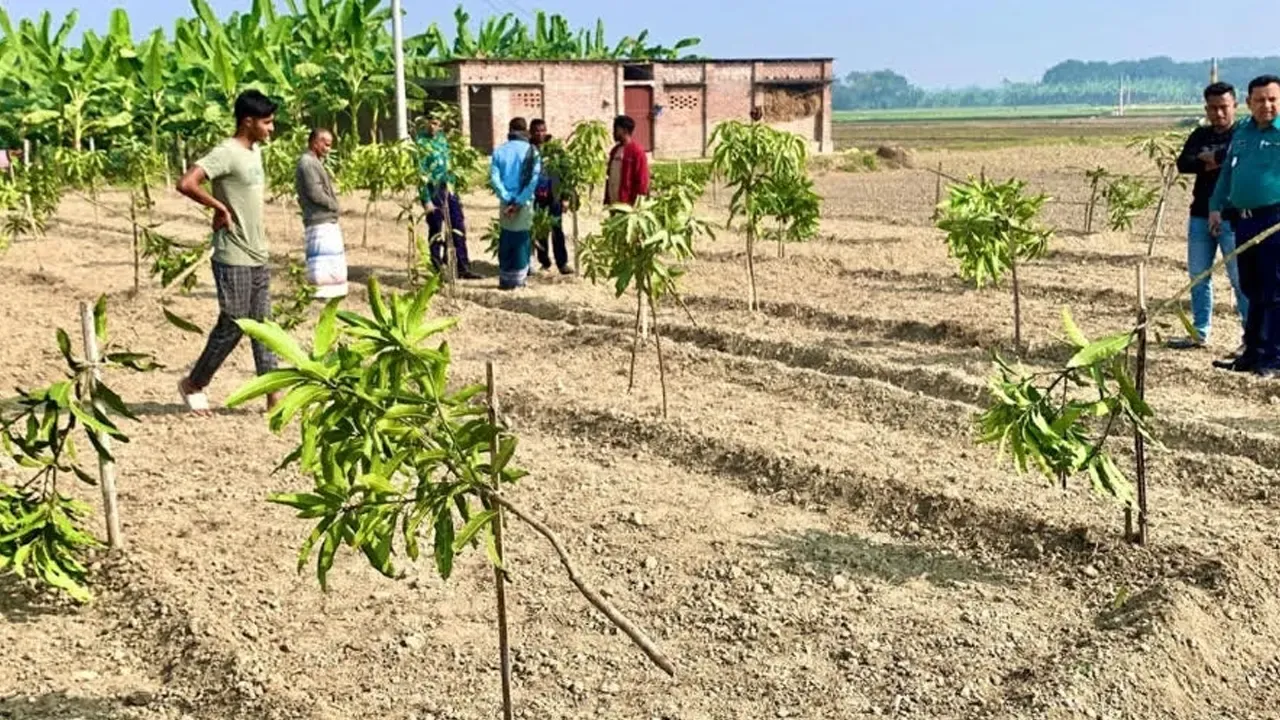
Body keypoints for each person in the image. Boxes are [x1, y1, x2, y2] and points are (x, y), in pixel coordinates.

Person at [175, 89, 281, 415]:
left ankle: (273, 395)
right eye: (266, 122)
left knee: (262, 325)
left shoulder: (255, 152)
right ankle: (194, 383)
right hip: (232, 253)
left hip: (257, 251)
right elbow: (187, 183)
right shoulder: (226, 152)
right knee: (234, 322)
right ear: (247, 122)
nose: (271, 128)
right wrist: (218, 206)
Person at [1209, 74, 1280, 377]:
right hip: (1244, 221)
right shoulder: (1242, 134)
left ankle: (1274, 359)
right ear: (1249, 103)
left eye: (1273, 99)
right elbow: (1226, 174)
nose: (1267, 105)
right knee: (1251, 288)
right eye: (1260, 100)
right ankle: (1251, 353)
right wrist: (1215, 206)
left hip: (1274, 222)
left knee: (1275, 290)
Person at [1168, 82, 1248, 350]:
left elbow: (1240, 159)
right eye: (1213, 108)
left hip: (1234, 217)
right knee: (1199, 277)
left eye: (1224, 107)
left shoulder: (1243, 133)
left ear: (1235, 106)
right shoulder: (1199, 134)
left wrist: (1211, 158)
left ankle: (1251, 336)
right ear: (1206, 109)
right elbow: (1184, 163)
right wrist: (1216, 160)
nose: (1219, 113)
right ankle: (1199, 333)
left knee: (1241, 280)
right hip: (1200, 215)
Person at [416, 117, 479, 280]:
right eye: (430, 122)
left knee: (457, 225)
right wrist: (426, 199)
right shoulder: (420, 143)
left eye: (436, 123)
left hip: (448, 189)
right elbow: (419, 174)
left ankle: (462, 266)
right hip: (432, 190)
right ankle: (437, 268)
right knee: (436, 228)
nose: (433, 126)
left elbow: (450, 165)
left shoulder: (444, 140)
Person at [295, 128, 348, 299]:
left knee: (329, 258)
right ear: (315, 142)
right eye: (326, 144)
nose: (328, 149)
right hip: (319, 218)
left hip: (323, 218)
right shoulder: (308, 163)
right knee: (322, 259)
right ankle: (321, 293)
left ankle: (330, 292)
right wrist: (334, 205)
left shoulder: (313, 162)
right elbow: (314, 192)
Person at [489, 117, 541, 290]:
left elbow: (495, 179)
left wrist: (507, 198)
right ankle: (518, 281)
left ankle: (505, 279)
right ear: (525, 130)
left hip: (506, 204)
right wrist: (519, 202)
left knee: (506, 236)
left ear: (510, 130)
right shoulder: (532, 151)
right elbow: (533, 181)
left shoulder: (499, 151)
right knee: (521, 238)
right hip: (523, 203)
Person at [529, 118, 572, 275]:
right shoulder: (528, 150)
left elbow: (566, 173)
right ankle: (544, 262)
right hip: (535, 197)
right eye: (536, 131)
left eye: (542, 130)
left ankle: (562, 263)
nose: (540, 133)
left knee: (557, 229)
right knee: (540, 230)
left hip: (554, 196)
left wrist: (565, 197)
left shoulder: (555, 150)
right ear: (531, 132)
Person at [604, 115, 650, 206]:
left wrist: (637, 203)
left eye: (616, 129)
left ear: (625, 130)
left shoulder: (637, 152)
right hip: (613, 203)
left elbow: (642, 180)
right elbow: (609, 176)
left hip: (627, 204)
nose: (614, 132)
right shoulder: (614, 151)